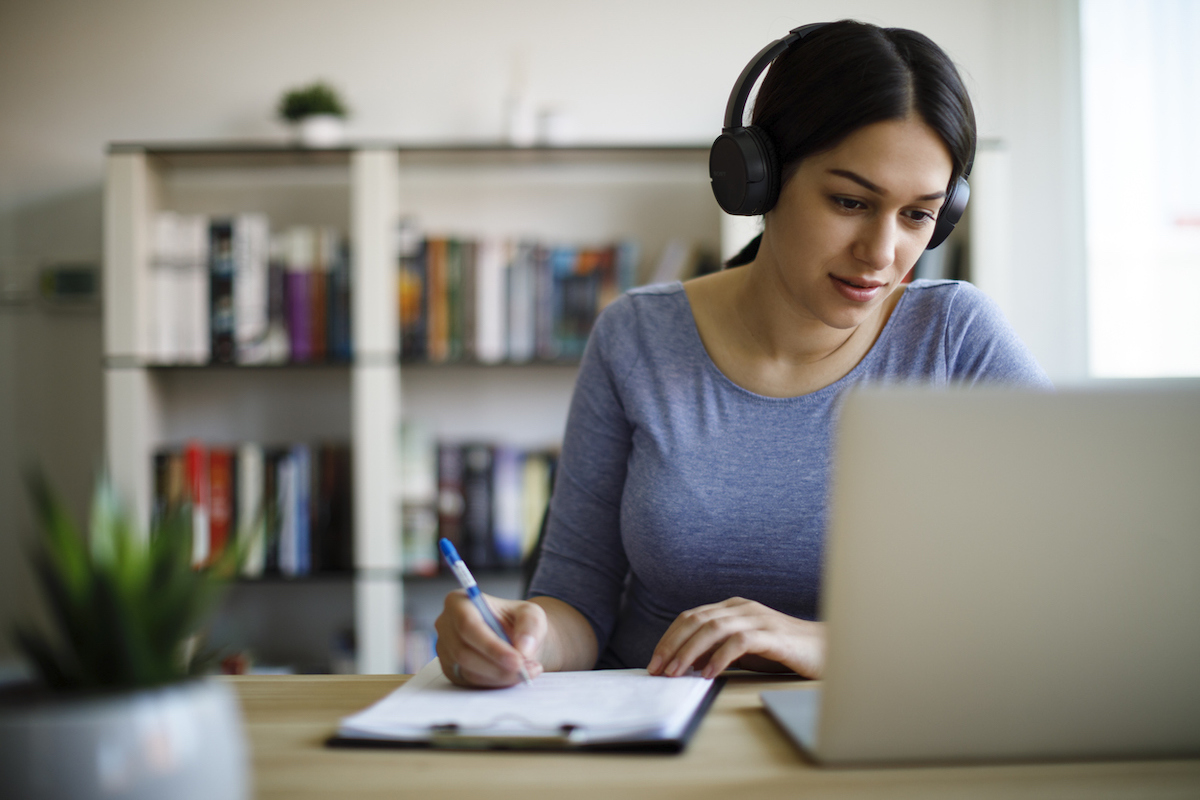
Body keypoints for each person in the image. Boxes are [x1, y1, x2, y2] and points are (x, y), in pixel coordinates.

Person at [434, 19, 1052, 688]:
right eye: (850, 201)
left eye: (917, 215)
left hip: (876, 740)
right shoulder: (635, 337)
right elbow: (575, 603)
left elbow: (1068, 585)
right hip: (657, 738)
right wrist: (520, 634)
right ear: (758, 178)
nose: (882, 254)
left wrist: (826, 644)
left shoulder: (954, 340)